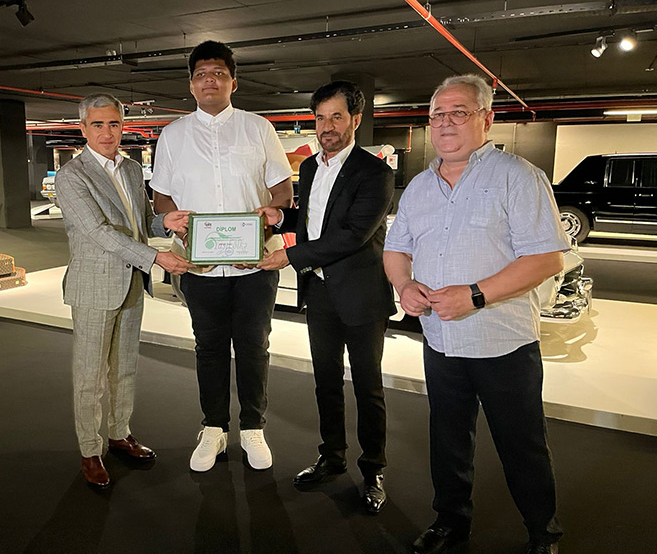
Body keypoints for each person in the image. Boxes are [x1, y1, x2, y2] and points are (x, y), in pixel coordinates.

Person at [384, 75, 569, 554]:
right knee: (448, 440)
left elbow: (546, 258)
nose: (446, 123)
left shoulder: (517, 176)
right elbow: (396, 248)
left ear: (487, 118)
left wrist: (476, 295)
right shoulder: (419, 187)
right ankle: (451, 522)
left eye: (459, 112)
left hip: (503, 342)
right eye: (438, 115)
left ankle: (542, 533)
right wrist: (404, 285)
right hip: (440, 340)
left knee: (521, 444)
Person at [150, 40, 293, 473]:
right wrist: (177, 226)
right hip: (199, 264)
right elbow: (161, 198)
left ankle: (252, 427)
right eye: (200, 75)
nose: (209, 80)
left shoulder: (258, 128)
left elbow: (282, 189)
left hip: (255, 263)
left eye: (218, 73)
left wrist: (269, 225)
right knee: (208, 347)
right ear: (191, 85)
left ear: (234, 82)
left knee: (254, 345)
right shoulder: (173, 135)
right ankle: (213, 427)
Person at [257, 80, 395, 513]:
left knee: (368, 388)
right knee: (326, 382)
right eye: (320, 118)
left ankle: (373, 470)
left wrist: (289, 255)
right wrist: (282, 217)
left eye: (337, 117)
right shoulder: (311, 168)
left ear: (356, 120)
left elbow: (353, 234)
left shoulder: (375, 173)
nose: (327, 127)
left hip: (361, 294)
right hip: (319, 292)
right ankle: (332, 457)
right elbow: (317, 219)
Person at [56, 93, 192, 488]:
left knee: (125, 367)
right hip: (94, 287)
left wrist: (167, 222)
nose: (106, 132)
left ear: (122, 126)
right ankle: (90, 450)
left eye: (113, 124)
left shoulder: (131, 169)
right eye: (97, 124)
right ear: (83, 128)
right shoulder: (72, 176)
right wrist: (155, 258)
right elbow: (97, 232)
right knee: (90, 375)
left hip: (130, 282)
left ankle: (119, 433)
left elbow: (142, 221)